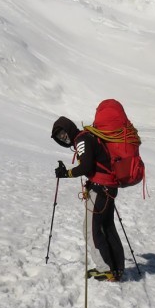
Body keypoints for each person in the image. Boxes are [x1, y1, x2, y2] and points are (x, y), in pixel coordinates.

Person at [51, 115, 126, 281]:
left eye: (63, 133)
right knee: (107, 227)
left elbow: (86, 166)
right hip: (108, 188)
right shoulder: (87, 136)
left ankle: (105, 268)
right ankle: (116, 268)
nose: (63, 137)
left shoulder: (82, 140)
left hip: (101, 190)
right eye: (60, 137)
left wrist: (67, 173)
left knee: (90, 229)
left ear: (69, 128)